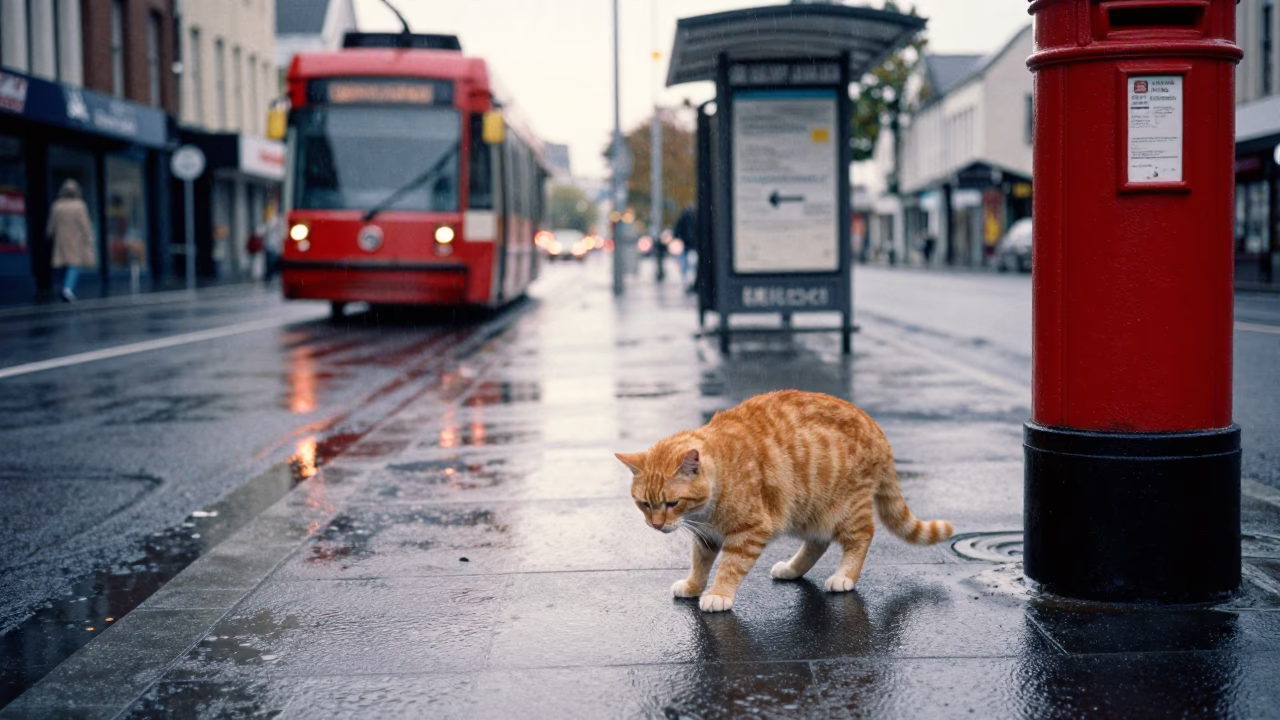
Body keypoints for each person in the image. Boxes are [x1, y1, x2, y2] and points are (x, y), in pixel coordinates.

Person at [47, 179, 95, 302]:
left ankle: (63, 286)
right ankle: (67, 288)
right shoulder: (79, 205)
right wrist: (89, 238)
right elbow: (85, 224)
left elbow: (51, 225)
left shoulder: (57, 205)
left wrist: (50, 235)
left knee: (63, 264)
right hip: (75, 239)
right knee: (74, 264)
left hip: (61, 240)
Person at [673, 206, 697, 290]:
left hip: (686, 243)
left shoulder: (684, 218)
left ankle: (685, 277)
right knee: (690, 261)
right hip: (691, 243)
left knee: (685, 261)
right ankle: (688, 277)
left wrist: (678, 237)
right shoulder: (693, 218)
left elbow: (677, 229)